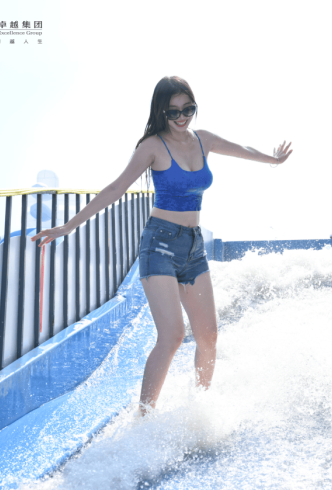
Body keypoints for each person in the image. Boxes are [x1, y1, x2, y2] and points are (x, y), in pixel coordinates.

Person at [32, 76, 292, 414]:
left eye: (188, 109)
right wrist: (69, 225)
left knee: (209, 336)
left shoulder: (204, 140)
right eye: (173, 112)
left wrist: (273, 160)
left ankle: (199, 409)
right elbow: (116, 189)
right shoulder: (152, 146)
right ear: (161, 112)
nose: (182, 117)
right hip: (160, 245)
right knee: (172, 335)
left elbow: (243, 150)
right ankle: (144, 418)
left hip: (193, 247)